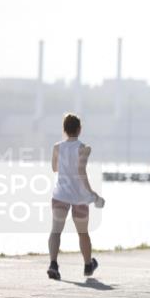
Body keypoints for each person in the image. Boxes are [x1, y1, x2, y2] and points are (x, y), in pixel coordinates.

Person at [48, 113, 104, 280]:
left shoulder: (57, 147)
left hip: (60, 195)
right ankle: (88, 265)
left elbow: (54, 168)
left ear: (64, 129)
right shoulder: (84, 148)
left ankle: (53, 264)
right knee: (83, 233)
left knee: (56, 231)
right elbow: (81, 171)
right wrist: (92, 194)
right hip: (79, 197)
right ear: (79, 129)